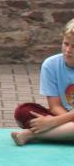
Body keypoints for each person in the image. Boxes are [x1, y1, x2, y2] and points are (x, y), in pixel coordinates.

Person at [11, 18, 74, 146]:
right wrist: (60, 120)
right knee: (23, 111)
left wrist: (53, 122)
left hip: (60, 119)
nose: (68, 50)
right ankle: (63, 133)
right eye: (66, 44)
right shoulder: (50, 64)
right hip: (63, 114)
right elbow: (55, 106)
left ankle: (32, 135)